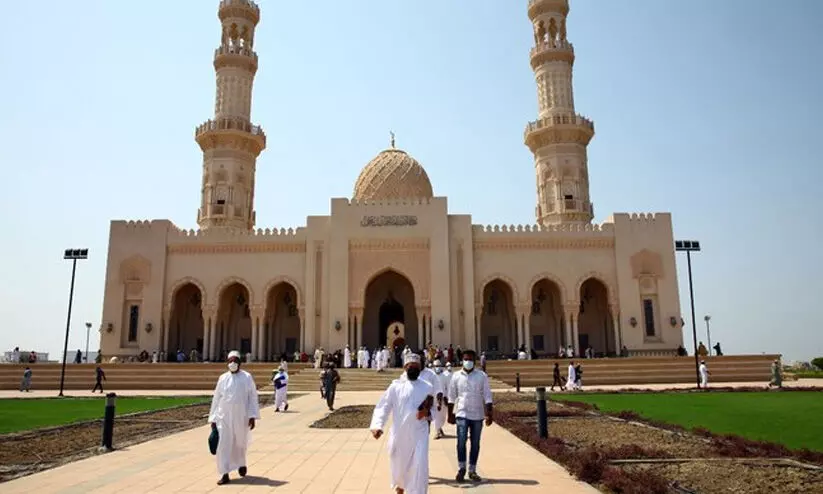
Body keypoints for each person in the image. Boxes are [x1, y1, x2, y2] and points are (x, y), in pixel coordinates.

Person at [370, 353, 434, 494]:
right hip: (400, 433)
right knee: (399, 465)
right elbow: (384, 405)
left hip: (419, 433)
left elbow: (433, 408)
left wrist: (427, 413)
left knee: (419, 466)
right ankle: (400, 486)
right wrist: (377, 425)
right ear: (405, 367)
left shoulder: (427, 386)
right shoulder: (395, 386)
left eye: (417, 367)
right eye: (411, 367)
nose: (414, 369)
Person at [208, 350, 261, 486]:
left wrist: (252, 416)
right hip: (223, 417)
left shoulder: (247, 377)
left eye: (235, 361)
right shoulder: (222, 378)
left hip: (241, 416)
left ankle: (241, 464)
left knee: (240, 443)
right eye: (230, 361)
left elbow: (252, 397)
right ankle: (224, 473)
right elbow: (216, 398)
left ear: (240, 363)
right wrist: (213, 418)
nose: (232, 363)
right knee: (223, 444)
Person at [447, 349, 493, 483]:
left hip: (477, 414)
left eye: (470, 360)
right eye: (466, 359)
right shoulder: (456, 376)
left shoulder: (481, 376)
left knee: (475, 443)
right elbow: (451, 396)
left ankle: (472, 470)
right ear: (462, 360)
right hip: (461, 413)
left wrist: (489, 413)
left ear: (475, 361)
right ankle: (462, 468)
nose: (468, 362)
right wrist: (450, 415)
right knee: (461, 442)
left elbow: (487, 395)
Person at [419, 359, 444, 438]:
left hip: (427, 406)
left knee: (425, 431)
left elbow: (438, 389)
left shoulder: (430, 374)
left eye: (422, 360)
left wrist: (439, 401)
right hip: (414, 407)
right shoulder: (410, 373)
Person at [433, 360, 451, 438]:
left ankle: (440, 428)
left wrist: (447, 397)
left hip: (444, 398)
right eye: (436, 366)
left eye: (438, 365)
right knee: (436, 415)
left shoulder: (444, 376)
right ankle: (437, 431)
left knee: (443, 416)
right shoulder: (432, 376)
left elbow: (447, 387)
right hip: (435, 399)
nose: (437, 367)